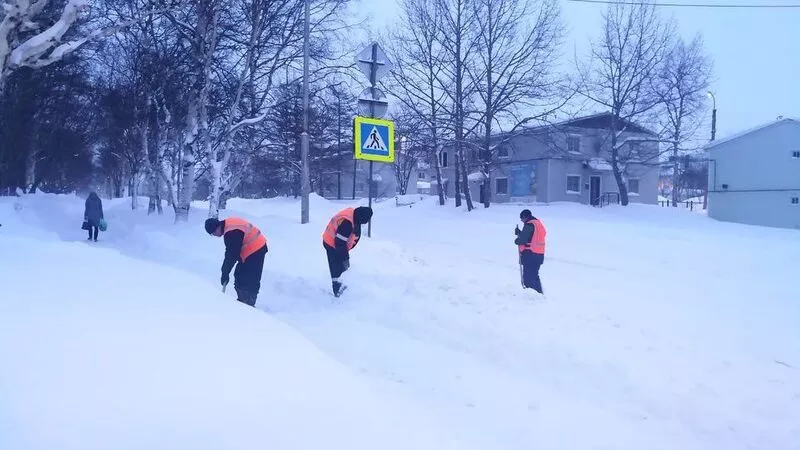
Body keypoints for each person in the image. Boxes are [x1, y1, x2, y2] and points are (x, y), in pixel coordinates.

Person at [204, 217, 268, 307]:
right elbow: (232, 252)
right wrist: (225, 272)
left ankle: (248, 304)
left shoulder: (231, 232)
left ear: (217, 227)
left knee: (250, 277)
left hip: (256, 248)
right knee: (239, 274)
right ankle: (242, 300)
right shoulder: (228, 225)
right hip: (251, 249)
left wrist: (225, 273)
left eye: (213, 233)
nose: (214, 235)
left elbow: (231, 254)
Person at [321, 206, 373, 297]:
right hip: (331, 242)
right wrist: (345, 258)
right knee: (336, 266)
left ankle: (341, 285)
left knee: (341, 264)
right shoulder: (347, 224)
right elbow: (340, 243)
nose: (367, 222)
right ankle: (337, 290)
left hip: (337, 242)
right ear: (362, 217)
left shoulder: (354, 215)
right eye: (366, 220)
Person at [514, 209, 546, 294]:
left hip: (530, 255)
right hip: (539, 254)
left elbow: (523, 240)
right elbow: (532, 238)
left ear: (525, 217)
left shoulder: (529, 225)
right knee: (534, 276)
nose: (521, 221)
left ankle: (531, 296)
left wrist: (517, 240)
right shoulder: (538, 224)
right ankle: (539, 293)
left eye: (522, 219)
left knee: (528, 278)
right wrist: (520, 233)